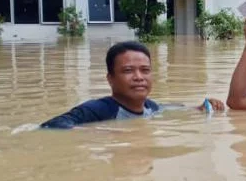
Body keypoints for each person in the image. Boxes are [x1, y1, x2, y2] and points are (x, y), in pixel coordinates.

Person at [41, 41, 225, 129]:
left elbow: (168, 109)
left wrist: (199, 108)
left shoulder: (150, 107)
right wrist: (94, 133)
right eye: (128, 71)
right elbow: (54, 125)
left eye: (145, 70)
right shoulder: (98, 109)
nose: (139, 77)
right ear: (110, 78)